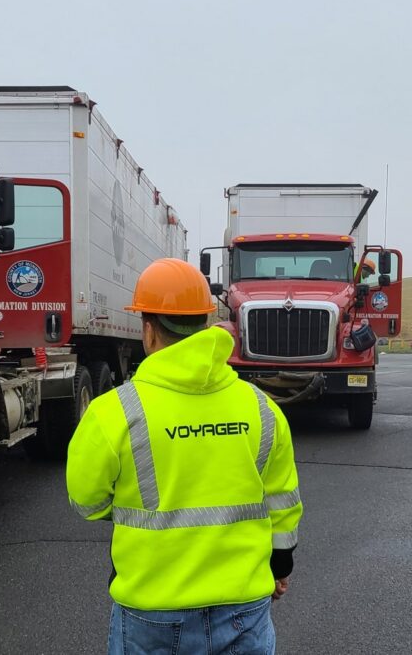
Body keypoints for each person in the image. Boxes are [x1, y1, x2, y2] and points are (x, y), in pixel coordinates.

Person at [67, 258, 302, 654]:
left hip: (151, 610)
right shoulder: (261, 408)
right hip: (244, 605)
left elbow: (87, 502)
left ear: (148, 329)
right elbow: (282, 501)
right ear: (207, 325)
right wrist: (280, 568)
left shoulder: (114, 412)